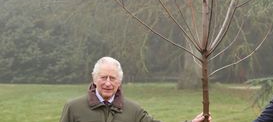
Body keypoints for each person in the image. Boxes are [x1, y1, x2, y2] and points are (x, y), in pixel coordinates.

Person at [60, 56, 210, 122]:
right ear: (94, 79)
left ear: (119, 82)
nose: (107, 83)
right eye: (103, 77)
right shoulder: (74, 108)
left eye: (112, 78)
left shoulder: (133, 110)